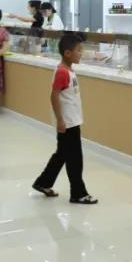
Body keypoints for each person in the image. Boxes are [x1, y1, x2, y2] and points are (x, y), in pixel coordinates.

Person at [32, 33, 98, 204]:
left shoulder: (68, 70)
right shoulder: (62, 72)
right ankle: (78, 193)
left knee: (62, 154)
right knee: (75, 159)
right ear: (68, 53)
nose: (81, 53)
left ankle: (43, 182)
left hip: (71, 120)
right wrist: (60, 120)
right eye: (79, 50)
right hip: (68, 123)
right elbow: (53, 96)